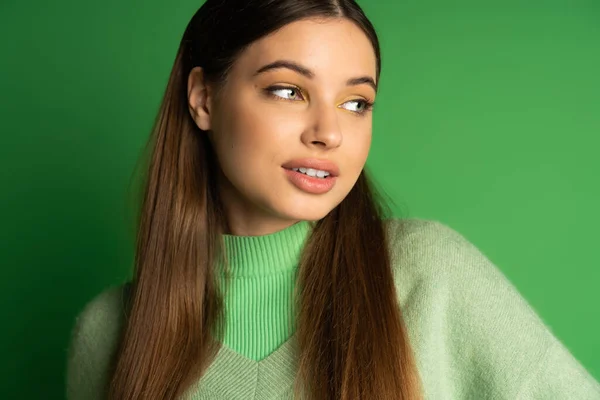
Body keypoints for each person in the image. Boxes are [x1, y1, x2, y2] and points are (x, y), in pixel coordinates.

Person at [65, 0, 600, 399]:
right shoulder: (108, 333)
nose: (329, 132)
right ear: (203, 98)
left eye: (356, 102)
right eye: (288, 90)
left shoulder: (428, 276)